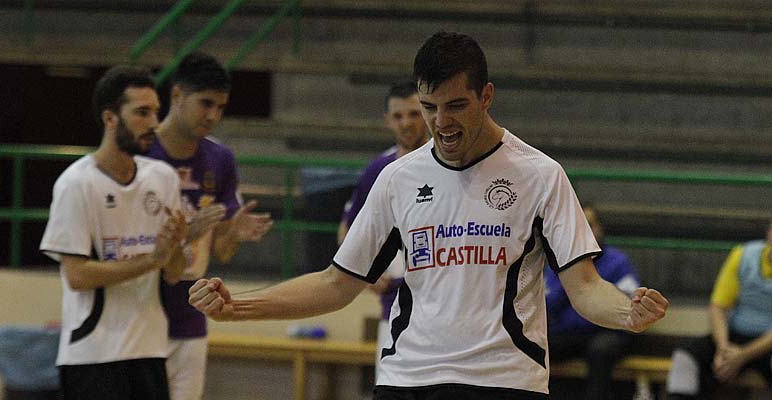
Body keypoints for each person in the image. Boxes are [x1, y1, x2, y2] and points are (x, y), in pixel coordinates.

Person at [189, 31, 669, 399]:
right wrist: (240, 306)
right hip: (409, 379)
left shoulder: (540, 176)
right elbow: (337, 283)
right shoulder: (398, 178)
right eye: (429, 107)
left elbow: (584, 289)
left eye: (456, 105)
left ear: (486, 96)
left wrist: (629, 313)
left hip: (504, 381)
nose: (441, 122)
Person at [39, 65, 189, 400]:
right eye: (141, 113)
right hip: (94, 355)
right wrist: (152, 259)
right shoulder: (75, 184)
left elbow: (175, 273)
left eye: (156, 112)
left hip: (150, 350)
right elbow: (77, 275)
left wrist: (175, 246)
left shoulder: (163, 178)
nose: (153, 123)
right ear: (110, 118)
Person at [147, 51, 274, 400]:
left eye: (220, 107)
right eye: (205, 104)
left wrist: (231, 234)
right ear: (176, 95)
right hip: (139, 313)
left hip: (190, 316)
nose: (213, 115)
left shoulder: (220, 159)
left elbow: (221, 250)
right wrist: (184, 235)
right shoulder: (143, 154)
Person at [666, 208, 772, 400]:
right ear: (769, 234)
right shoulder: (743, 255)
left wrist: (743, 356)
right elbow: (718, 307)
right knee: (685, 358)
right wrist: (723, 349)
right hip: (737, 337)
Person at [335, 81, 429, 377]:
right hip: (394, 305)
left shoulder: (447, 162)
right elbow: (348, 230)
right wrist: (365, 274)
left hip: (440, 304)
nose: (407, 123)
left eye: (414, 114)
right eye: (398, 116)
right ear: (387, 120)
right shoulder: (379, 169)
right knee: (391, 384)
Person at [545, 204, 640, 400]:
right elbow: (547, 305)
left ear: (600, 228)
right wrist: (572, 278)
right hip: (567, 333)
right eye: (580, 226)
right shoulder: (558, 261)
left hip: (605, 333)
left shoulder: (617, 262)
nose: (586, 231)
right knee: (538, 344)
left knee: (601, 350)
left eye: (590, 225)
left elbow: (630, 303)